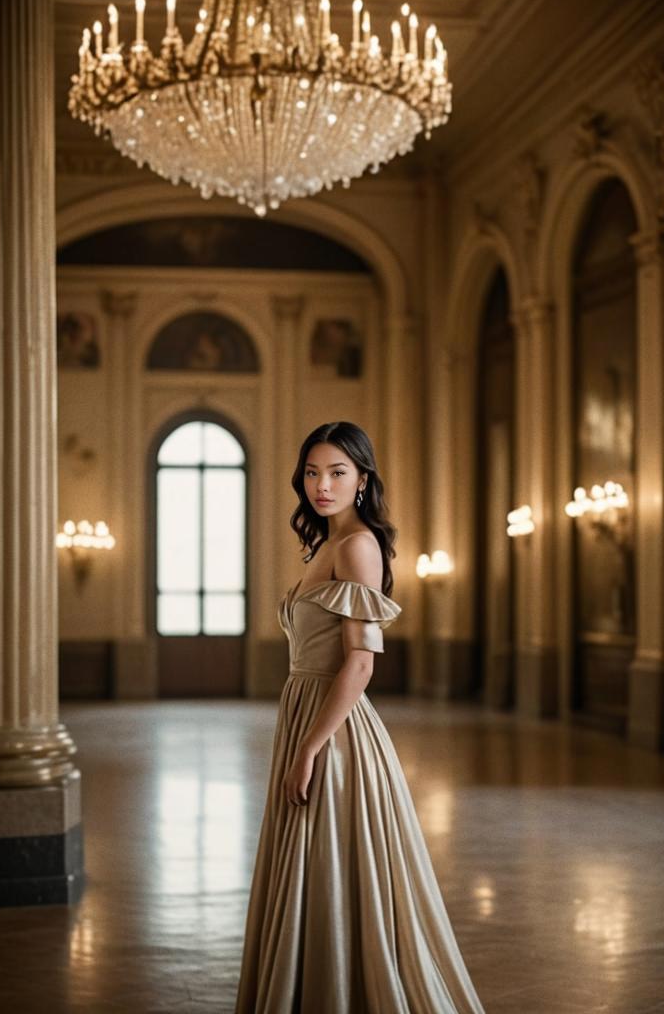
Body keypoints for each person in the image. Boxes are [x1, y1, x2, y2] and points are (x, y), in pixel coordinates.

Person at [235, 421, 485, 1014]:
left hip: (335, 731)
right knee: (310, 865)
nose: (322, 485)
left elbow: (361, 664)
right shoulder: (325, 544)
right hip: (307, 713)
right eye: (313, 472)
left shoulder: (357, 546)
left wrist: (309, 749)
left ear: (362, 480)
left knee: (335, 866)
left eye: (338, 472)